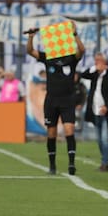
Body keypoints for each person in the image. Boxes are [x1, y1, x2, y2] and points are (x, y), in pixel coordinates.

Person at [26, 21, 85, 175]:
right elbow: (30, 51)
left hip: (67, 99)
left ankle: (71, 164)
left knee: (69, 130)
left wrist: (75, 34)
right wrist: (31, 37)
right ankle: (52, 166)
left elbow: (82, 50)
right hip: (51, 100)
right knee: (51, 133)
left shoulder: (71, 58)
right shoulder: (48, 57)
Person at [81, 53, 108, 171]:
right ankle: (106, 162)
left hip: (107, 113)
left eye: (99, 61)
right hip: (95, 110)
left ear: (105, 63)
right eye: (95, 61)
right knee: (99, 140)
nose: (96, 63)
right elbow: (83, 75)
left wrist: (107, 107)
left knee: (105, 138)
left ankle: (105, 162)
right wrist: (94, 68)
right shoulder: (94, 75)